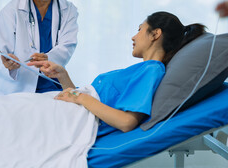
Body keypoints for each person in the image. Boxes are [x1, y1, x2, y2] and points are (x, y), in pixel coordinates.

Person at [28, 11, 205, 135]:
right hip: (69, 112)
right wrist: (62, 76)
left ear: (155, 34)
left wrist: (80, 97)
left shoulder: (152, 70)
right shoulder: (142, 70)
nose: (134, 37)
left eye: (140, 29)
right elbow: (90, 103)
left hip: (72, 121)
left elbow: (126, 122)